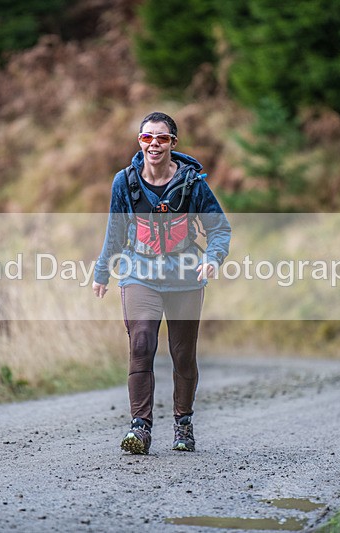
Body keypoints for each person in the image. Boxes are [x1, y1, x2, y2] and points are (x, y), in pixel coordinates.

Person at [92, 111, 231, 454]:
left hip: (185, 276)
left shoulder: (193, 184)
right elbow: (115, 231)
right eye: (147, 137)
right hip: (139, 273)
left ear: (173, 142)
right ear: (140, 142)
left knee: (183, 354)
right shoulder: (124, 182)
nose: (154, 143)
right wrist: (102, 271)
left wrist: (213, 258)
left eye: (162, 137)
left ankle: (183, 424)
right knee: (141, 343)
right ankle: (139, 428)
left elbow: (219, 229)